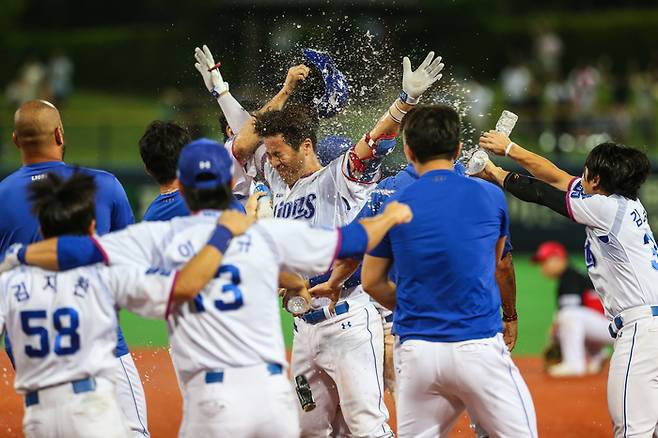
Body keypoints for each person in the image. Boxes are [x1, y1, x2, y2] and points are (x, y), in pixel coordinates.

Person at [1, 139, 413, 437]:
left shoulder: (159, 238)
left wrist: (19, 258)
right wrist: (390, 216)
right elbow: (350, 241)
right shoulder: (261, 233)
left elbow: (82, 250)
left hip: (211, 402)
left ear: (181, 183)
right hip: (270, 397)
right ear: (225, 182)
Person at [197, 48, 442, 437]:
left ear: (307, 146)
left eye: (278, 154)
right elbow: (246, 137)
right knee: (308, 430)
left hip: (345, 320)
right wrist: (222, 93)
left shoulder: (337, 180)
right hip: (302, 329)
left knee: (365, 427)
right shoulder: (280, 180)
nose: (272, 162)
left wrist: (405, 102)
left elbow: (374, 142)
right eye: (271, 156)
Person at [0, 171, 247, 437]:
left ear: (42, 230)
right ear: (93, 228)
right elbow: (184, 287)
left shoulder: (10, 285)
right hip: (95, 402)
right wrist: (223, 234)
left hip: (42, 414)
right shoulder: (106, 277)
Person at [362, 105, 537, 437]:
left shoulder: (393, 200)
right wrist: (510, 315)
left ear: (409, 150)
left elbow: (371, 281)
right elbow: (497, 263)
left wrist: (418, 304)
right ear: (457, 148)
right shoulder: (489, 195)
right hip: (478, 345)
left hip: (416, 352)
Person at [478, 131, 658, 437]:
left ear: (597, 180)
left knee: (632, 430)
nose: (580, 176)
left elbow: (541, 192)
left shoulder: (604, 208)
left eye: (586, 171)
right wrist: (510, 148)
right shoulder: (625, 204)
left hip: (642, 333)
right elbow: (556, 176)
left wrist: (494, 172)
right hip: (649, 326)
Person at [0, 99, 149, 437]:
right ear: (59, 134)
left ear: (15, 140)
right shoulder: (102, 185)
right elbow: (131, 262)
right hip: (101, 348)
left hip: (31, 357)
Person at [532, 241, 612, 377]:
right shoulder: (573, 274)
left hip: (615, 328)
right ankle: (597, 356)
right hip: (610, 326)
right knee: (571, 319)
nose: (542, 268)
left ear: (558, 259)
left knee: (568, 316)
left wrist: (555, 338)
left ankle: (574, 364)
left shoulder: (570, 277)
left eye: (545, 262)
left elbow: (570, 314)